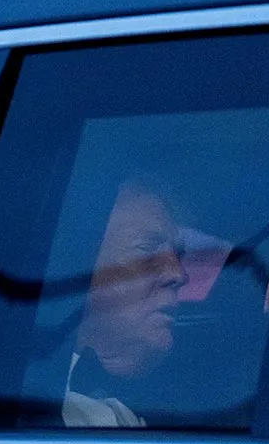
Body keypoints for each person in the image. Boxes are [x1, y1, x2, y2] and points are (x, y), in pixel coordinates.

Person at [63, 179, 189, 427]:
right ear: (77, 266)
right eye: (148, 249)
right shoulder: (21, 408)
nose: (180, 274)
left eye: (178, 255)